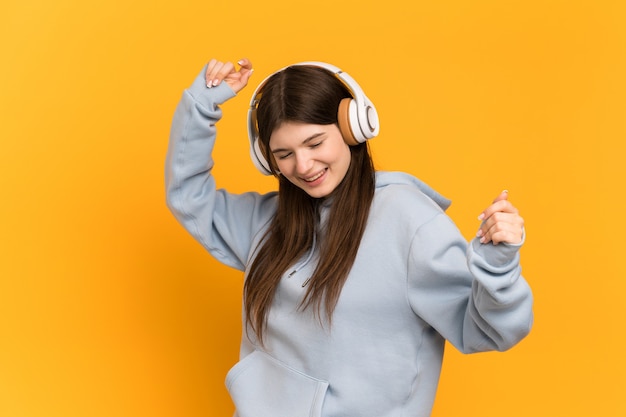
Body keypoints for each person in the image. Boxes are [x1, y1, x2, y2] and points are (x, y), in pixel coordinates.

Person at [165, 57, 533, 417]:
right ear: (268, 161)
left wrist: (498, 263)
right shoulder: (267, 222)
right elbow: (187, 196)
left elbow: (490, 331)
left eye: (314, 143)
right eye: (284, 154)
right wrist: (202, 105)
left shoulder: (409, 220)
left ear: (353, 127)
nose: (303, 166)